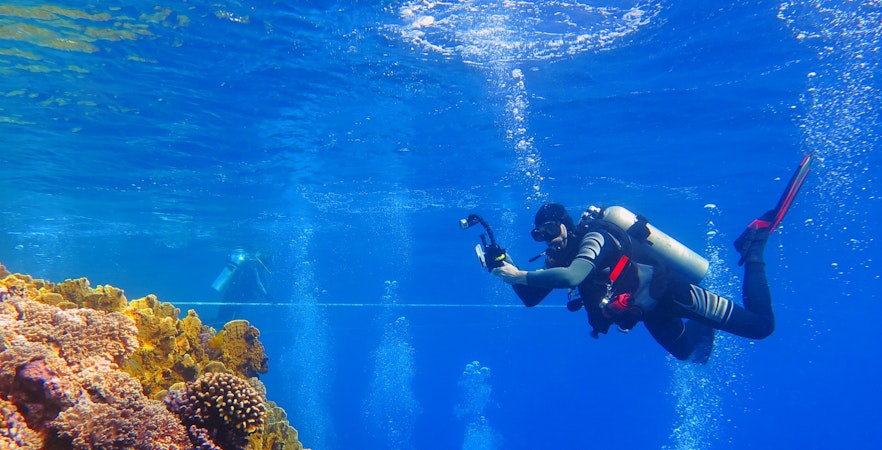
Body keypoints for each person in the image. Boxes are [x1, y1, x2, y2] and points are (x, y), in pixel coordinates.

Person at [491, 202, 776, 363]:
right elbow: (531, 298)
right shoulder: (563, 258)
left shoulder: (595, 237)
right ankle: (708, 323)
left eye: (551, 230)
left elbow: (574, 276)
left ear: (565, 225)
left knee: (761, 326)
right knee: (690, 354)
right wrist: (505, 266)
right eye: (540, 235)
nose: (549, 239)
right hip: (650, 310)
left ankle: (753, 248)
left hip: (673, 293)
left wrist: (519, 275)